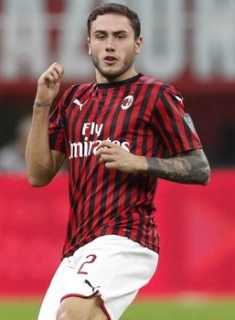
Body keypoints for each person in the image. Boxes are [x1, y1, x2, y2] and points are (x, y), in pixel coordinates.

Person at [26, 3, 210, 320]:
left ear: (137, 44)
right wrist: (42, 104)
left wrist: (139, 162)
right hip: (77, 246)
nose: (110, 44)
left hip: (127, 236)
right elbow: (38, 175)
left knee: (72, 315)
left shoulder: (157, 95)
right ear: (88, 44)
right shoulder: (72, 100)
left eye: (120, 36)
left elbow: (199, 168)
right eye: (101, 36)